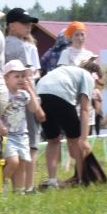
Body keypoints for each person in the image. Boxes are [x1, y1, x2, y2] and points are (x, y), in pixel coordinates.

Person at [36, 57, 100, 186]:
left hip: (40, 93)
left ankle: (52, 181)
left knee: (53, 140)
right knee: (74, 140)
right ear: (95, 76)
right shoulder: (88, 77)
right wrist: (84, 138)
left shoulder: (68, 71)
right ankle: (82, 179)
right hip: (61, 94)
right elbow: (84, 110)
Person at [1, 59, 39, 192]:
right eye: (16, 76)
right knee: (13, 161)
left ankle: (19, 190)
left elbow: (34, 109)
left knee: (23, 162)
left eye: (23, 76)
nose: (21, 79)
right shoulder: (4, 95)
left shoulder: (23, 94)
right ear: (6, 79)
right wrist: (0, 126)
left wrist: (30, 90)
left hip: (22, 134)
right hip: (8, 135)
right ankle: (2, 184)